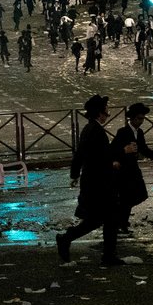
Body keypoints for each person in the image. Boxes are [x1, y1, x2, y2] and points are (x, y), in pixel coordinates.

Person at [56, 94, 123, 266]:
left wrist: (74, 174)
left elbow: (81, 154)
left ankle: (106, 253)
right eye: (106, 109)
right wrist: (114, 162)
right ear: (100, 113)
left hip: (94, 182)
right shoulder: (96, 131)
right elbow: (98, 157)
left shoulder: (90, 129)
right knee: (107, 218)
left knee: (102, 219)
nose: (108, 112)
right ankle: (105, 254)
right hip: (99, 183)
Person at [111, 103, 153, 234]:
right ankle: (121, 223)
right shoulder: (123, 132)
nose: (140, 121)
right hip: (123, 170)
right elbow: (113, 149)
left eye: (142, 119)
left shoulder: (140, 132)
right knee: (127, 198)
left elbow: (143, 148)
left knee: (140, 195)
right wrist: (123, 152)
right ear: (131, 119)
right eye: (138, 118)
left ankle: (120, 221)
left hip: (133, 169)